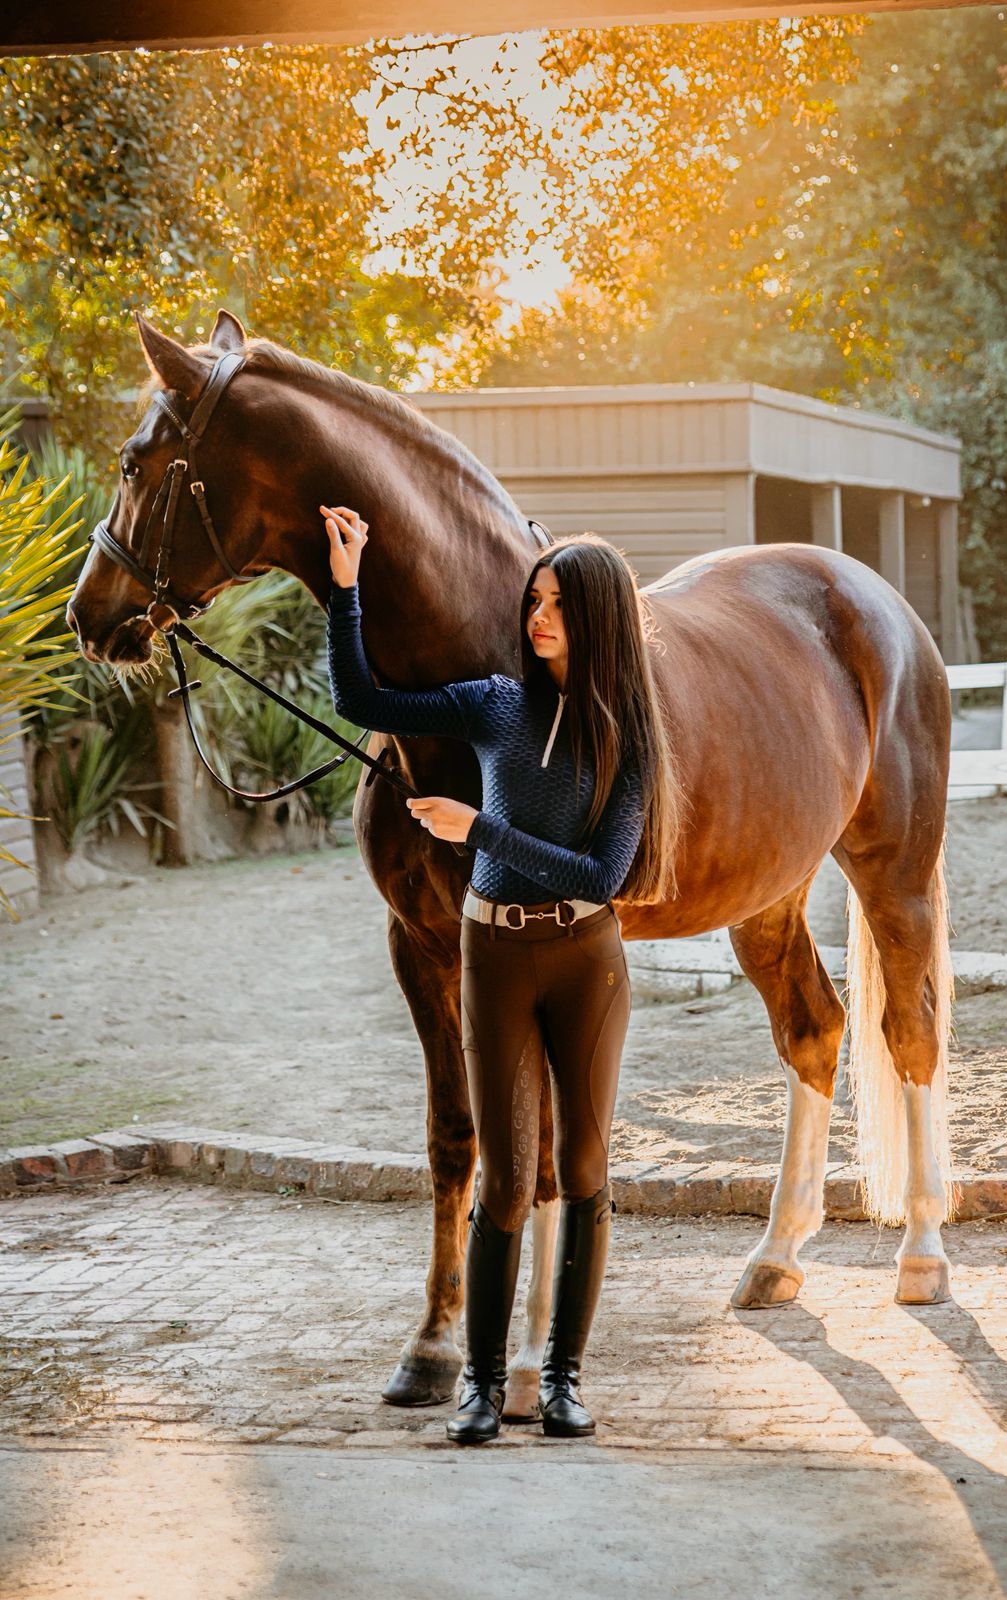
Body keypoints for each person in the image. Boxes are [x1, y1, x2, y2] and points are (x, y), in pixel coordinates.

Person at [322, 504, 685, 1445]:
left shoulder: (630, 736)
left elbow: (604, 877)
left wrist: (476, 830)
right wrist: (346, 585)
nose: (539, 617)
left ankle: (563, 1381)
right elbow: (362, 701)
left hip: (585, 959)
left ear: (601, 616)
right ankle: (481, 1388)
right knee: (505, 1174)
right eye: (535, 600)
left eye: (560, 603)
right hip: (493, 951)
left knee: (587, 1167)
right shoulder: (491, 702)